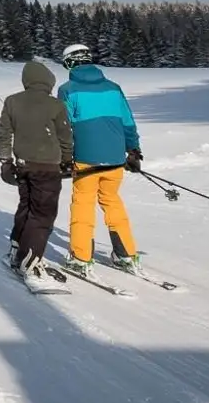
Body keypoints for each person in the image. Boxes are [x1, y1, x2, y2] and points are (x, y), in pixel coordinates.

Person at [57, 44, 144, 277]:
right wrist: (133, 150)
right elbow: (127, 121)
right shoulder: (114, 88)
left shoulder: (67, 90)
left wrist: (64, 158)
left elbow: (64, 128)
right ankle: (126, 255)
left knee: (83, 205)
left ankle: (80, 258)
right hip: (115, 158)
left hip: (86, 160)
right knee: (112, 202)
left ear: (70, 63)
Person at [0, 60, 74, 285]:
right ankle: (30, 262)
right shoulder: (56, 104)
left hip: (22, 166)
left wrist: (5, 162)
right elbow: (65, 136)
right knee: (42, 215)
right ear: (49, 81)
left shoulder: (12, 101)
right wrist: (68, 161)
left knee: (27, 207)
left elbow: (4, 133)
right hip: (47, 168)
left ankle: (17, 249)